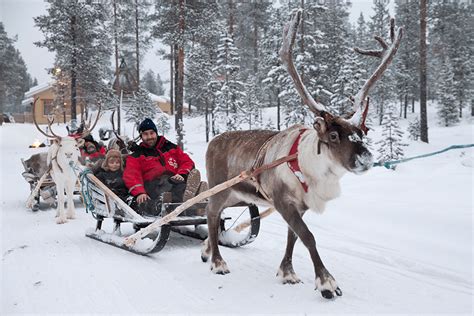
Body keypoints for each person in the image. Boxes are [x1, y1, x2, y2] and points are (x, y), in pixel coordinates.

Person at [123, 118, 195, 215]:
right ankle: (186, 201)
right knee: (170, 184)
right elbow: (131, 175)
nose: (149, 137)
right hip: (152, 185)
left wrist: (182, 174)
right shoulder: (137, 155)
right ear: (141, 136)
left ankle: (188, 198)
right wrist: (140, 192)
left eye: (152, 133)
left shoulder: (170, 147)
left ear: (156, 133)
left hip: (174, 180)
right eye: (145, 134)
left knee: (178, 184)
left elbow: (186, 161)